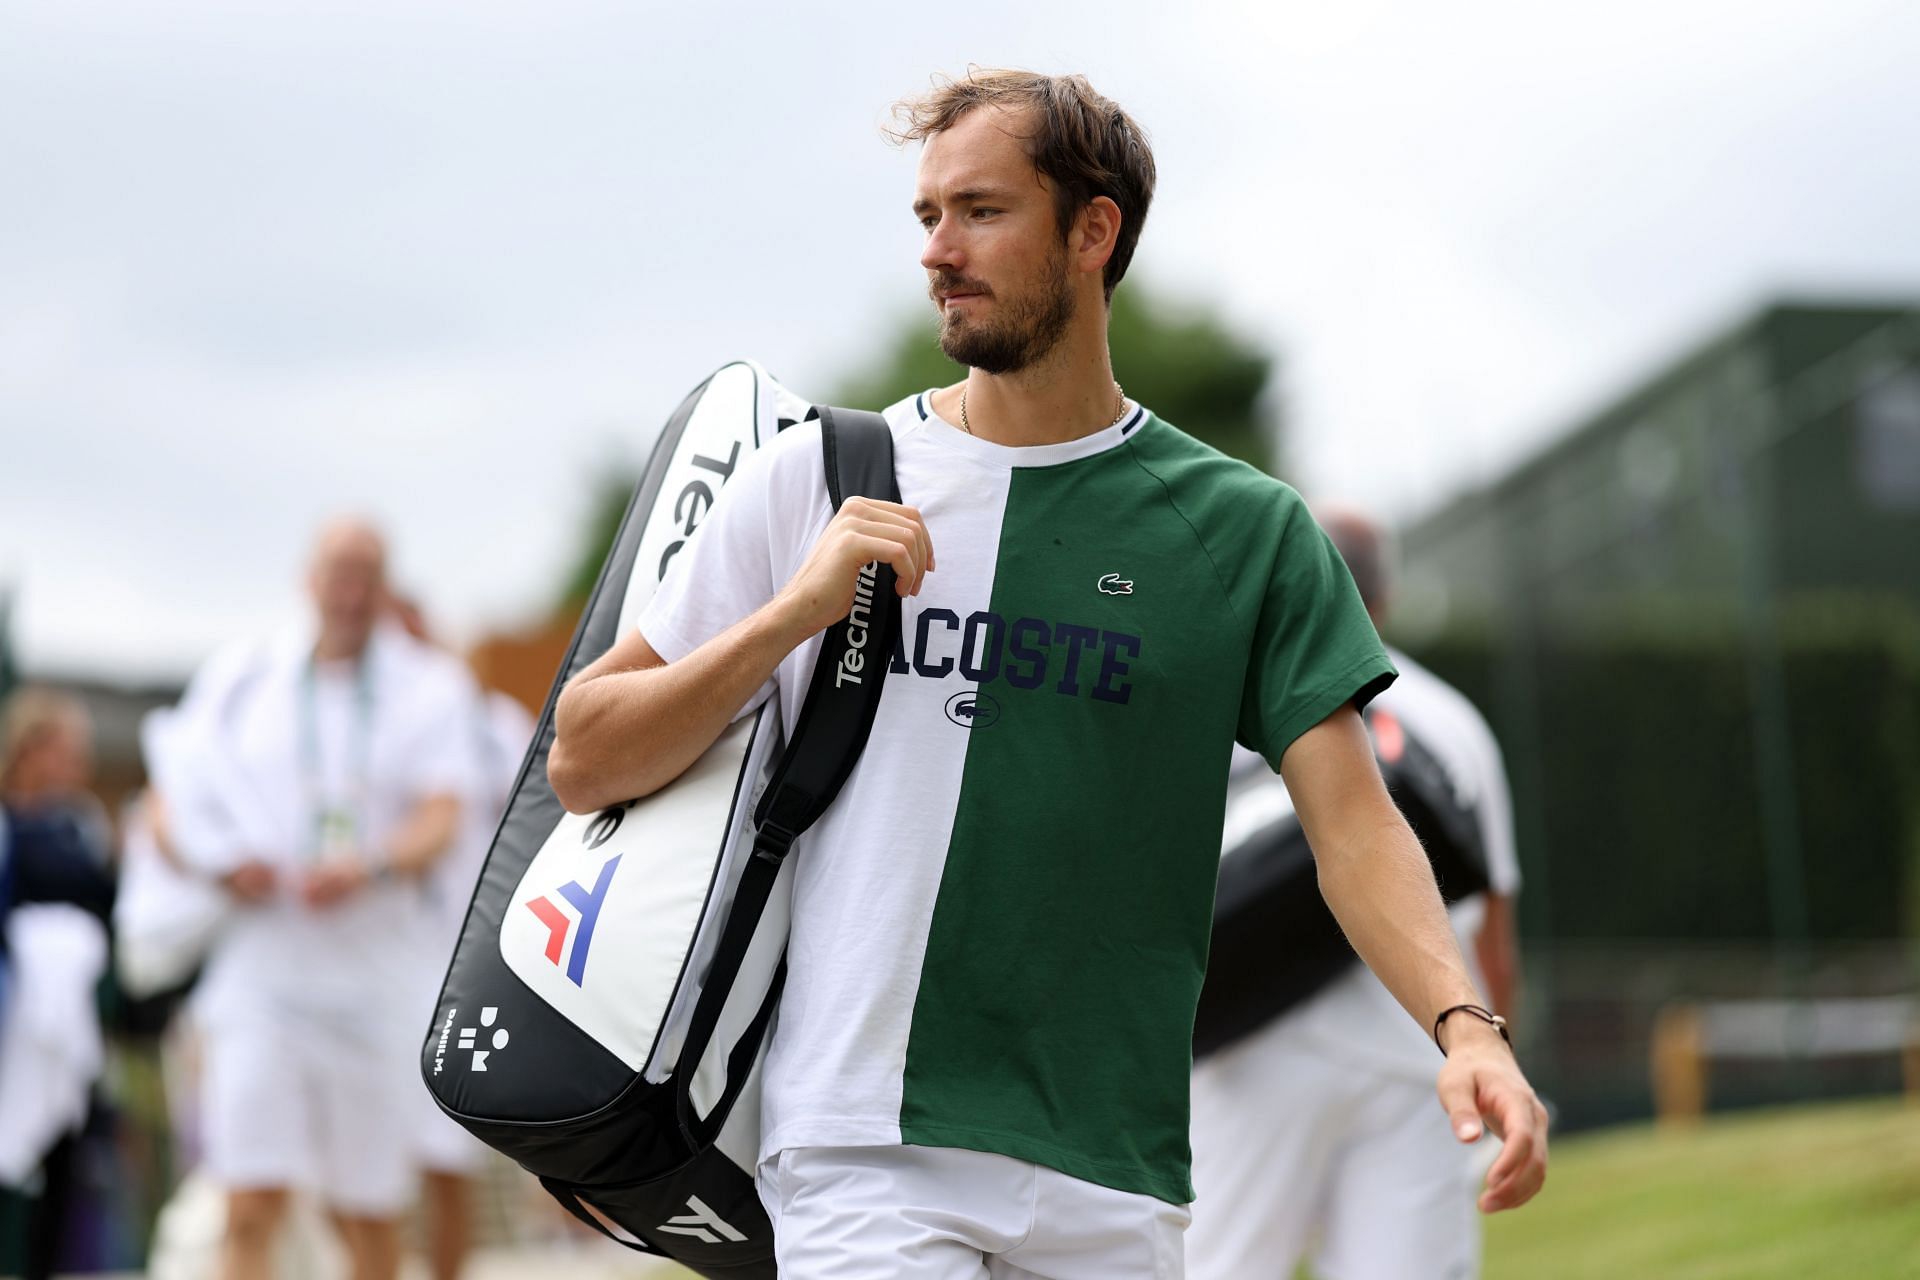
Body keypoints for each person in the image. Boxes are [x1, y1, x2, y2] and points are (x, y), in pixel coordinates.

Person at [546, 69, 1548, 1278]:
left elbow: (1354, 826)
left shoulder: (1246, 533)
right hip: (867, 1148)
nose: (939, 251)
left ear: (1092, 231)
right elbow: (585, 752)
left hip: (1115, 1167)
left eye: (980, 211)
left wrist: (1466, 1027)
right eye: (927, 217)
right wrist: (798, 611)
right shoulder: (817, 478)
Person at [1187, 508, 1523, 1280]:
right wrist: (1497, 1058)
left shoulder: (1220, 697)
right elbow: (1493, 934)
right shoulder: (1450, 719)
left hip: (1246, 1058)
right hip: (1417, 1063)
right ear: (1386, 595)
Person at [156, 521, 479, 1280]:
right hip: (265, 977)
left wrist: (369, 864)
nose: (351, 591)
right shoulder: (244, 677)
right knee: (250, 1199)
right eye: (339, 571)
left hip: (373, 981)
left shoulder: (429, 687)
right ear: (308, 578)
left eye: (367, 573)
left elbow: (442, 815)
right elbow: (170, 805)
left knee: (368, 1207)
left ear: (385, 585)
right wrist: (220, 865)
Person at [388, 593, 535, 1280]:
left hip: (465, 956)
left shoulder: (492, 725)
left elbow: (538, 820)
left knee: (447, 1144)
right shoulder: (367, 727)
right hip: (382, 953)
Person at [0, 689, 116, 1280]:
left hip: (67, 1030)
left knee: (62, 1173)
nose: (75, 764)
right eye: (65, 750)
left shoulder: (85, 825)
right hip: (10, 1020)